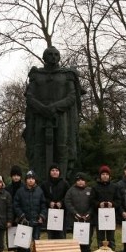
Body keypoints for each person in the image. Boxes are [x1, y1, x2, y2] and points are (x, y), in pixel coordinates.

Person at [23, 46, 83, 179]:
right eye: (50, 54)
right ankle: (38, 181)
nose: (53, 57)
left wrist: (54, 107)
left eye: (56, 55)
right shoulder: (37, 75)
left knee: (62, 148)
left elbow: (72, 96)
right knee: (38, 149)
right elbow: (30, 96)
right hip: (40, 117)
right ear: (44, 57)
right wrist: (42, 108)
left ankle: (62, 181)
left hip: (61, 117)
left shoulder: (66, 74)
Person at [13, 170, 48, 252]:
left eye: (32, 178)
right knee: (25, 241)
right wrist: (21, 216)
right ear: (26, 180)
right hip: (25, 221)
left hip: (37, 221)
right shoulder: (20, 191)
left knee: (36, 240)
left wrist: (42, 216)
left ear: (35, 180)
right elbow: (16, 205)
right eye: (29, 178)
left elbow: (43, 205)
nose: (31, 180)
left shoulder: (40, 191)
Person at [64, 172, 94, 252]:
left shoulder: (90, 190)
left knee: (87, 238)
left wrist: (88, 214)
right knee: (77, 239)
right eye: (78, 180)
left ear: (85, 181)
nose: (80, 182)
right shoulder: (71, 191)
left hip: (87, 220)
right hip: (75, 219)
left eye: (82, 180)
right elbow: (67, 202)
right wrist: (75, 214)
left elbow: (93, 204)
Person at [40, 163, 71, 239]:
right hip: (50, 213)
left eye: (56, 170)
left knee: (61, 235)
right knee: (51, 235)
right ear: (50, 172)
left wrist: (61, 202)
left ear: (59, 172)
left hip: (62, 213)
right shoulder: (44, 184)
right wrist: (49, 202)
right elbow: (42, 197)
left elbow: (68, 197)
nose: (54, 172)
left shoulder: (65, 184)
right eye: (53, 170)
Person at [93, 165, 117, 251]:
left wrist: (112, 204)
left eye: (107, 174)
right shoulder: (95, 187)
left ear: (109, 176)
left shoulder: (114, 187)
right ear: (100, 176)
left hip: (111, 216)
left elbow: (118, 200)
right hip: (99, 216)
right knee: (100, 238)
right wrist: (99, 204)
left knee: (111, 237)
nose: (105, 176)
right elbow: (92, 201)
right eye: (103, 174)